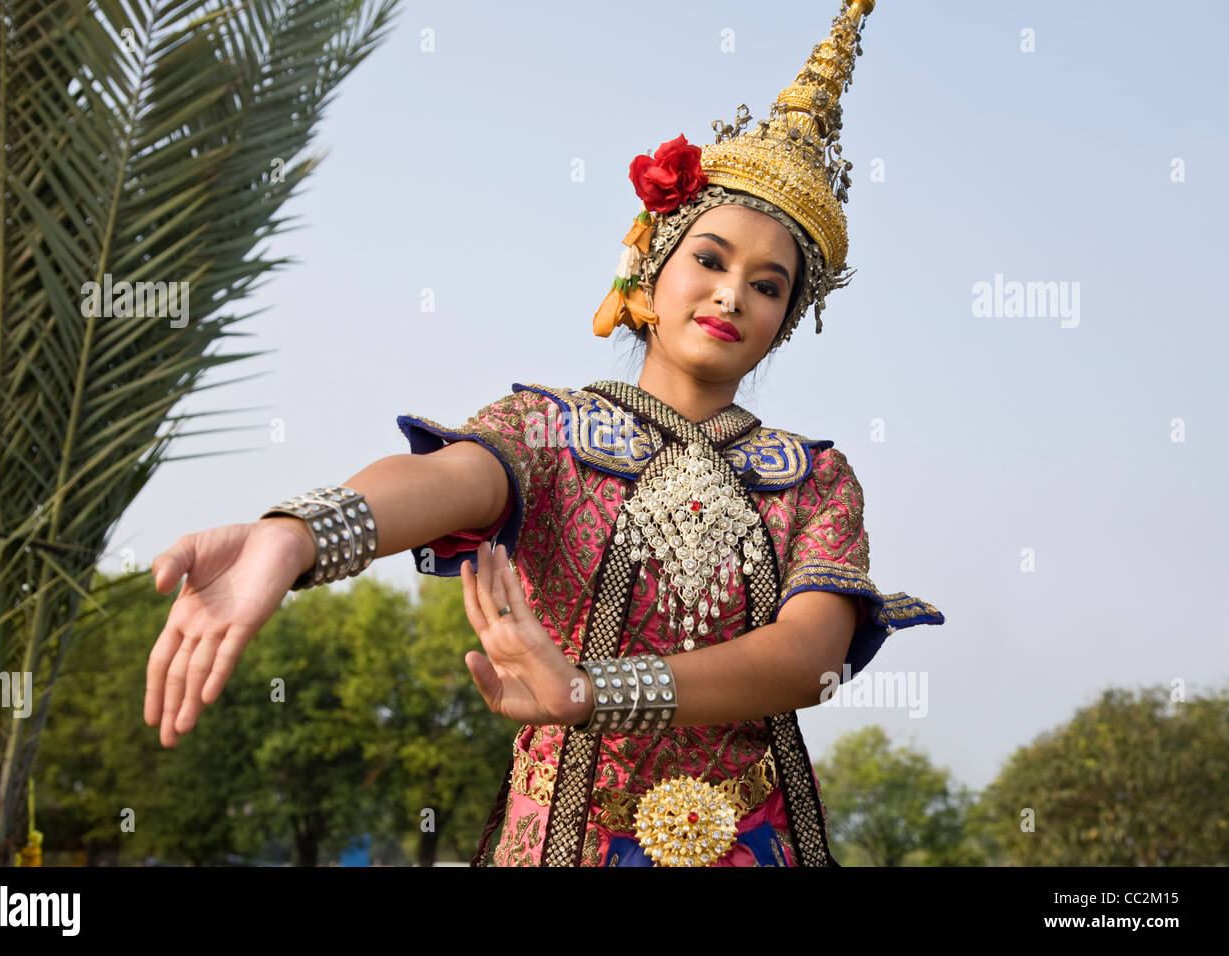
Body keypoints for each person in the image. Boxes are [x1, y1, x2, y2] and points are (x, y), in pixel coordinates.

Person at [145, 0, 943, 867]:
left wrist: (588, 691)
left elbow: (809, 657)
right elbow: (448, 482)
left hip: (751, 841)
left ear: (784, 318)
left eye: (767, 284)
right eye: (709, 260)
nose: (730, 295)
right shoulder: (549, 431)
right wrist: (296, 535)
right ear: (650, 263)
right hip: (559, 841)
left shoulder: (813, 478)